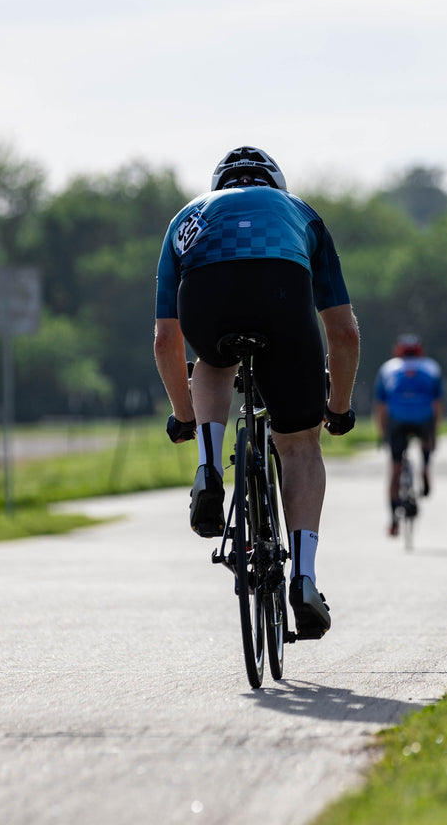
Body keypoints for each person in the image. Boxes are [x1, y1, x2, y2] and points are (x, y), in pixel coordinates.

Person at [153, 146, 360, 640]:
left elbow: (165, 340)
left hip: (208, 298)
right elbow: (345, 334)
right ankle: (304, 578)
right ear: (277, 185)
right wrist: (339, 407)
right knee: (300, 446)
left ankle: (208, 463)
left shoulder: (188, 215)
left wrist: (183, 416)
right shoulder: (301, 214)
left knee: (211, 358)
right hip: (283, 295)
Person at [373, 333, 444, 536]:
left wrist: (382, 431)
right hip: (423, 419)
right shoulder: (431, 367)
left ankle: (394, 520)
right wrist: (434, 430)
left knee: (394, 470)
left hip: (397, 420)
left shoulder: (388, 368)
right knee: (426, 440)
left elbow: (381, 405)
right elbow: (438, 403)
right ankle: (426, 467)